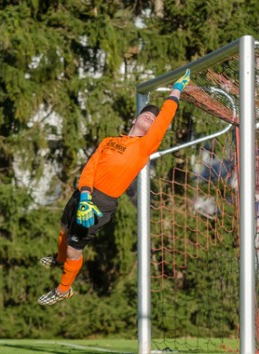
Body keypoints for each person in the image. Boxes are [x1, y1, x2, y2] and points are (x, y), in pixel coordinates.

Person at [37, 69, 191, 305]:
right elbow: (90, 167)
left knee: (73, 250)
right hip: (84, 194)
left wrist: (176, 91)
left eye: (153, 119)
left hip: (101, 203)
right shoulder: (109, 141)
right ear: (134, 119)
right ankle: (59, 260)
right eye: (146, 115)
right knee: (64, 230)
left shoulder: (144, 146)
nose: (150, 118)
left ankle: (63, 289)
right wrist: (85, 194)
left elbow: (165, 117)